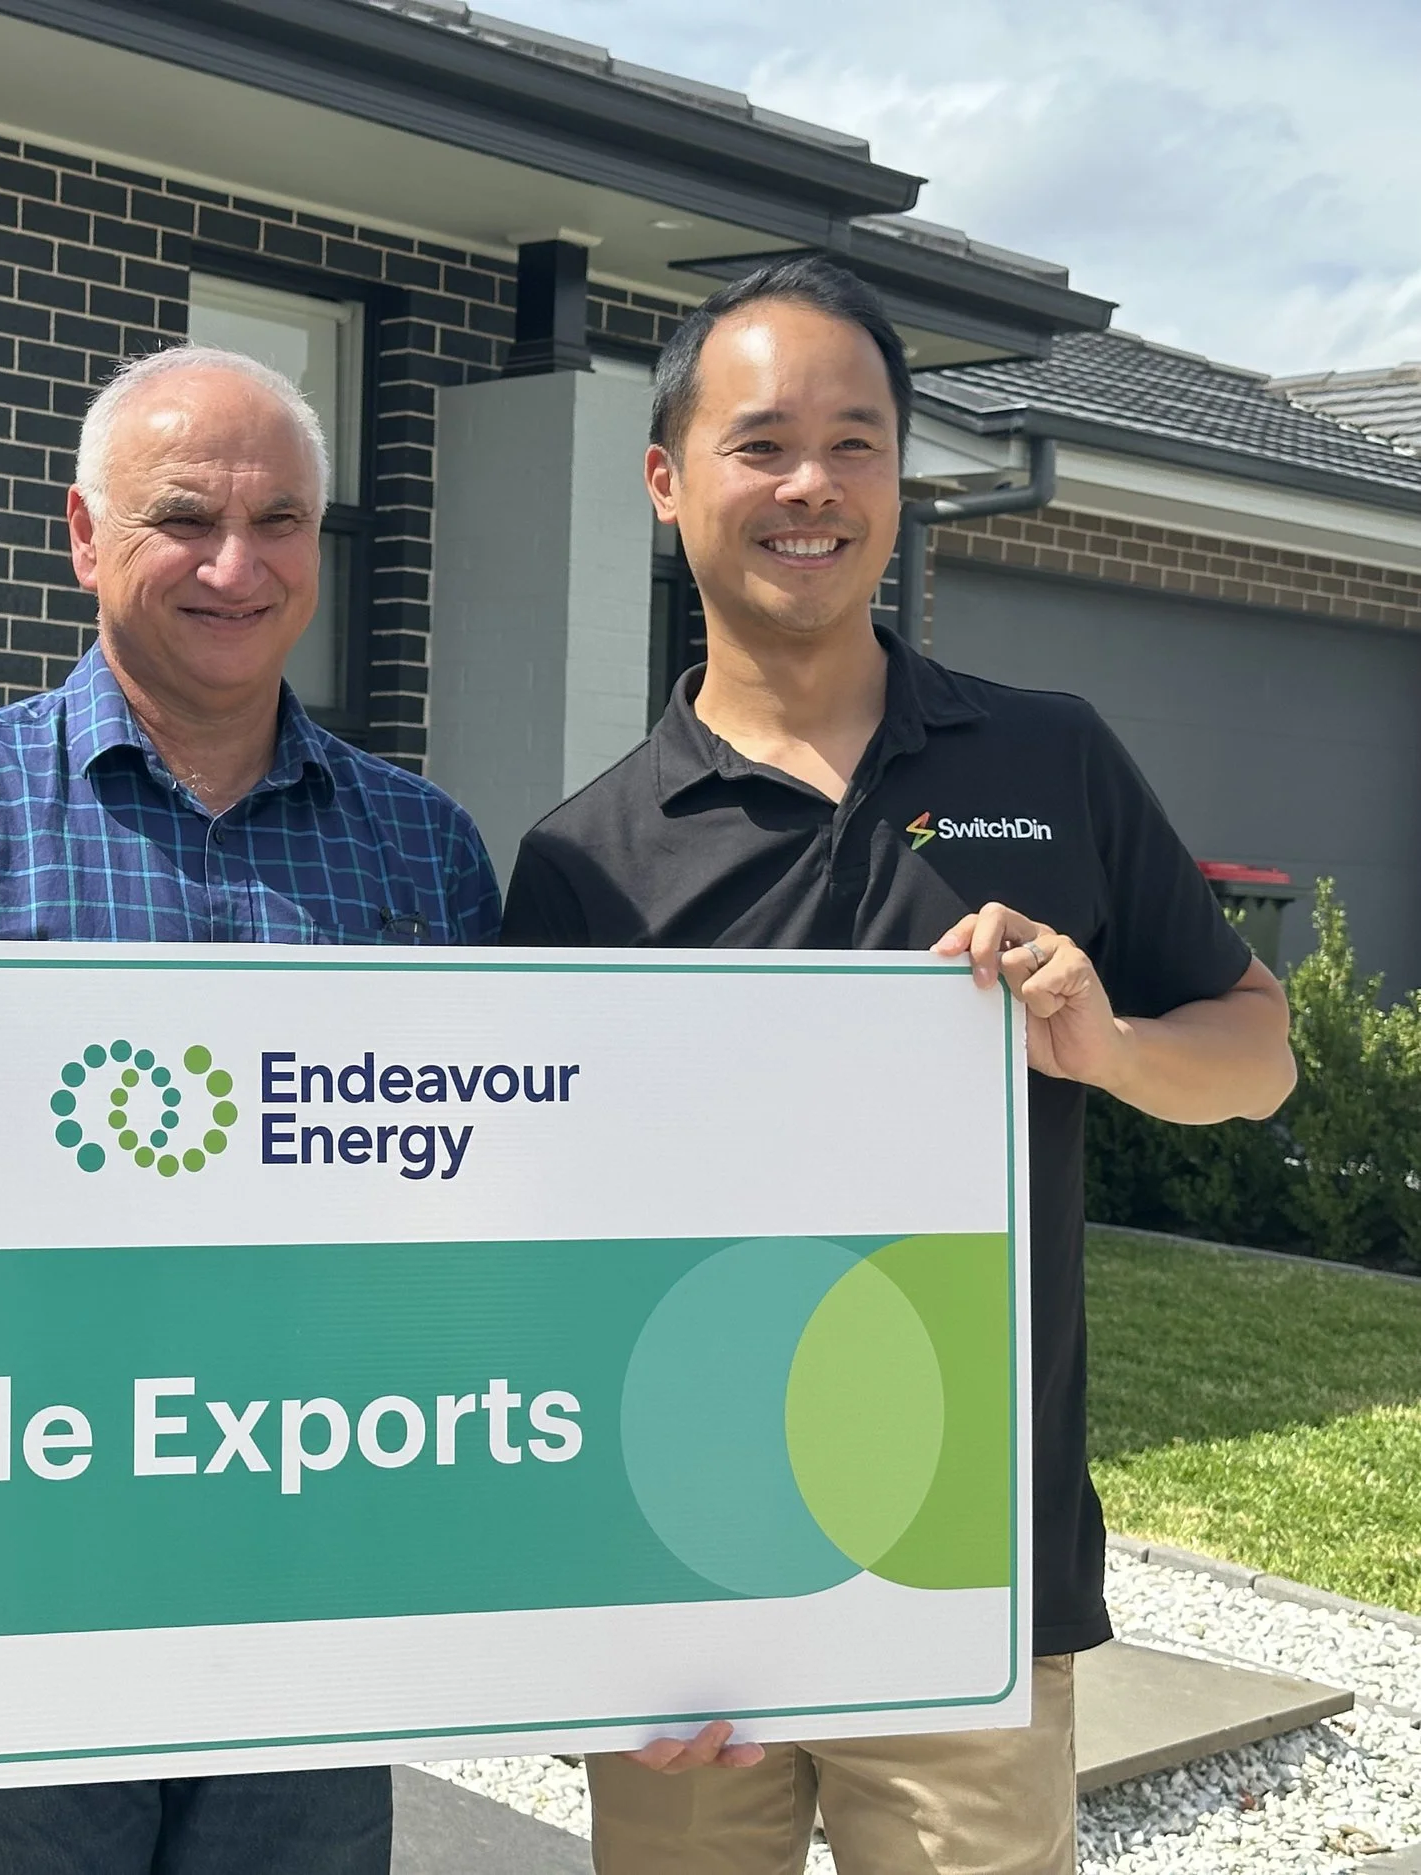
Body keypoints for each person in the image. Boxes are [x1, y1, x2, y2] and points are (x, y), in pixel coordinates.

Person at [498, 255, 1296, 1874]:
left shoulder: (1048, 756)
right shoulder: (585, 860)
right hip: (687, 1596)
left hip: (962, 1572)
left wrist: (1117, 1044)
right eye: (763, 441)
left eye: (859, 441)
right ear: (665, 481)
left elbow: (1261, 1054)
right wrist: (587, 1607)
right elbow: (549, 1271)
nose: (814, 485)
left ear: (904, 475)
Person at [0, 343, 499, 1871]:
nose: (235, 566)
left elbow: (480, 1223)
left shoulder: (428, 856)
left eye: (280, 525)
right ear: (82, 535)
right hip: (17, 1578)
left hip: (311, 1577)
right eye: (184, 518)